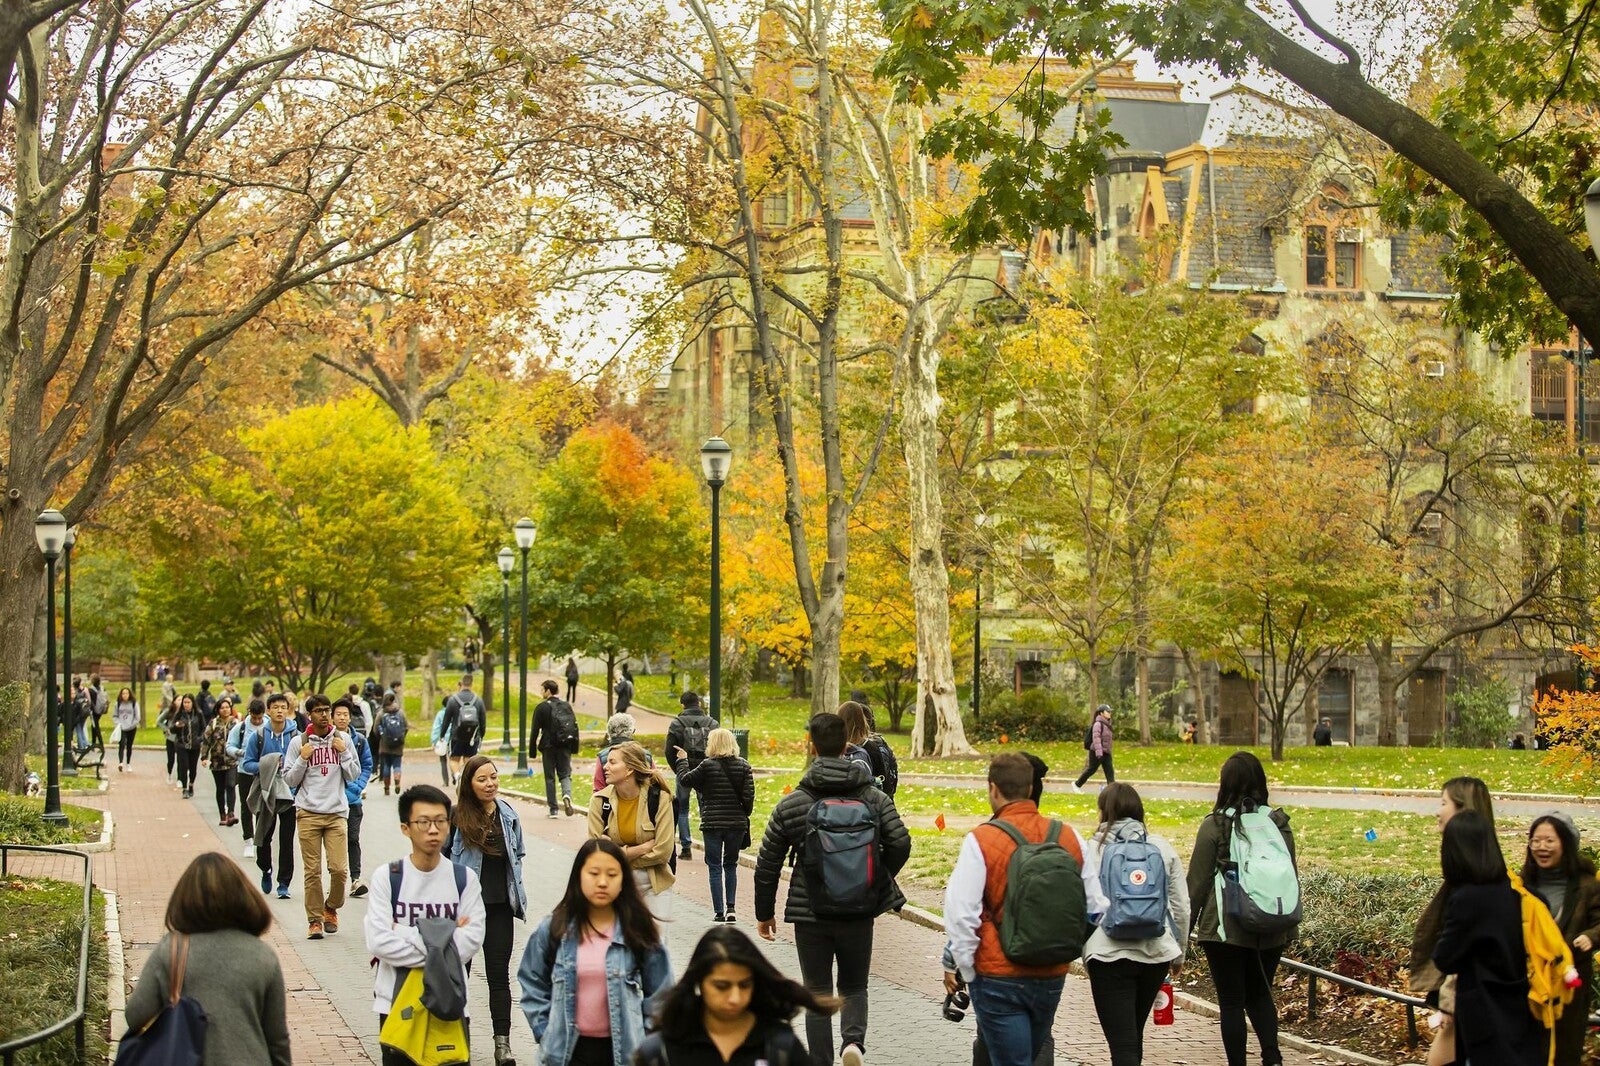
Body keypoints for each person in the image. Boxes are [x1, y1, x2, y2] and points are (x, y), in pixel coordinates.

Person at [756, 712, 912, 1066]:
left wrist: (764, 913)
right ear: (847, 746)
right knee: (855, 985)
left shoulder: (793, 802)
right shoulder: (873, 797)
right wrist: (875, 877)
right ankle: (853, 1044)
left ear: (810, 746)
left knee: (817, 990)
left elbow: (767, 863)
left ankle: (822, 1060)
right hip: (859, 909)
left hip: (810, 911)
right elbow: (901, 842)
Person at [943, 752, 1098, 1066]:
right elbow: (1096, 906)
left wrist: (969, 968)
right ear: (1030, 789)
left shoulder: (982, 840)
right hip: (1051, 973)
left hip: (996, 976)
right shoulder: (1069, 836)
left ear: (993, 789)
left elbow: (962, 914)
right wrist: (1064, 945)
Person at [122, 852, 291, 1066]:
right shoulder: (263, 956)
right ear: (242, 897)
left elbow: (136, 1015)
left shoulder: (171, 950)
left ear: (185, 898)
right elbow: (277, 1039)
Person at [517, 838, 673, 1066]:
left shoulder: (638, 932)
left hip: (624, 1054)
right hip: (566, 1053)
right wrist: (545, 1030)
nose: (602, 882)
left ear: (623, 881)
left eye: (612, 875)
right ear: (579, 876)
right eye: (594, 873)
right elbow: (532, 980)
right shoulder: (555, 928)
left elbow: (662, 992)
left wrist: (646, 1038)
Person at [1186, 751, 1297, 1066]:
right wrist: (1288, 926)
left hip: (1226, 929)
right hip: (1272, 925)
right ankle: (1272, 1058)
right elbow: (1291, 876)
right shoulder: (1278, 823)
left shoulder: (1215, 825)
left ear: (1224, 783)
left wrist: (1181, 935)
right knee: (1260, 993)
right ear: (1261, 782)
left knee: (1232, 1002)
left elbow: (1196, 886)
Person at [365, 783, 487, 1066]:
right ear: (406, 828)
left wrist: (403, 931)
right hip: (396, 1004)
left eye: (440, 821)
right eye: (423, 822)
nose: (433, 829)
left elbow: (471, 941)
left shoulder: (464, 879)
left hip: (451, 1005)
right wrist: (445, 938)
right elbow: (380, 942)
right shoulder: (388, 877)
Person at [1081, 782, 1189, 1066]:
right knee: (1133, 1038)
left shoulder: (1091, 850)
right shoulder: (1161, 847)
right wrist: (1179, 950)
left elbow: (1080, 903)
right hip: (1155, 954)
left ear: (1103, 812)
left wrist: (1079, 948)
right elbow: (1181, 905)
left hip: (1108, 956)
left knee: (1123, 1045)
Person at [635, 925, 836, 1066]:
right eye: (721, 986)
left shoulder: (779, 1046)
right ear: (699, 983)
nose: (735, 997)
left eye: (744, 985)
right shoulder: (662, 1051)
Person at [1434, 810, 1543, 1066]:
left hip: (1486, 1018)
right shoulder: (1519, 891)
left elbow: (1444, 958)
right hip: (1525, 1010)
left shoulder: (1467, 899)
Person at [446, 756, 528, 1066]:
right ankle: (456, 1041)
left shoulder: (508, 814)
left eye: (493, 777)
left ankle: (502, 1046)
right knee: (458, 977)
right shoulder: (456, 817)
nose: (490, 783)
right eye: (482, 779)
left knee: (498, 976)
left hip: (499, 910)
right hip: (465, 911)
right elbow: (444, 862)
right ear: (469, 784)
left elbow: (518, 852)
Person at [1522, 812, 1600, 1066]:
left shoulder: (1588, 886)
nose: (1541, 847)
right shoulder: (1520, 886)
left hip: (1569, 988)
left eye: (1549, 841)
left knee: (1564, 1052)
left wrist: (1591, 936)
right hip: (1528, 984)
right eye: (1536, 840)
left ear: (1566, 844)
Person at [281, 693, 360, 939]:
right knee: (312, 871)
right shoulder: (298, 743)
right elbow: (289, 779)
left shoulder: (343, 739)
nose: (324, 715)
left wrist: (344, 752)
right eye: (319, 711)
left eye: (327, 710)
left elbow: (354, 774)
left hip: (336, 813)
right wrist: (303, 759)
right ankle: (314, 920)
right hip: (308, 814)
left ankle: (331, 907)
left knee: (339, 870)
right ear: (310, 714)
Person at [673, 727, 755, 924]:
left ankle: (719, 911)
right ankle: (732, 908)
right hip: (736, 823)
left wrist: (683, 760)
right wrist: (743, 813)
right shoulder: (744, 766)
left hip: (712, 823)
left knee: (715, 866)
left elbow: (685, 780)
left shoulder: (707, 765)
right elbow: (749, 797)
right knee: (731, 864)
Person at [589, 742, 676, 913]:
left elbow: (664, 851)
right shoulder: (600, 802)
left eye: (612, 762)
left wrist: (617, 853)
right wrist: (641, 848)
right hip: (615, 886)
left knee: (654, 940)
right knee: (620, 939)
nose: (605, 767)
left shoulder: (659, 799)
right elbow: (596, 852)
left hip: (655, 886)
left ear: (629, 769)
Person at [244, 693, 301, 897]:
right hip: (266, 792)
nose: (279, 711)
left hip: (289, 792)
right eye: (275, 707)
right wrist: (268, 763)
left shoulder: (296, 736)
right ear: (268, 710)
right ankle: (265, 869)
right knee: (264, 836)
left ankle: (284, 883)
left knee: (287, 840)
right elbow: (247, 764)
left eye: (283, 707)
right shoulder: (258, 736)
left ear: (288, 709)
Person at [667, 690, 718, 856]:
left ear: (683, 705)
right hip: (706, 771)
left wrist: (679, 770)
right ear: (699, 703)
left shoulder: (677, 723)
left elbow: (669, 751)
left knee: (682, 810)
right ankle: (710, 847)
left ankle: (686, 847)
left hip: (685, 769)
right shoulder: (712, 723)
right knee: (707, 809)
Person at [335, 698, 375, 899]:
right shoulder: (327, 739)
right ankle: (336, 881)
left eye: (345, 714)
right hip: (332, 801)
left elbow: (367, 764)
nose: (342, 717)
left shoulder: (359, 740)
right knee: (335, 843)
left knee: (352, 839)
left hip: (353, 801)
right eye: (338, 714)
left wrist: (359, 786)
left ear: (350, 717)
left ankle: (355, 879)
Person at [530, 679, 578, 818]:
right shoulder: (566, 706)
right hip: (565, 746)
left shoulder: (542, 707)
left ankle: (553, 809)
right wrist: (573, 748)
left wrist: (532, 750)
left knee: (550, 777)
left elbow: (535, 731)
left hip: (548, 747)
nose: (541, 692)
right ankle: (567, 795)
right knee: (565, 774)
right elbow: (574, 727)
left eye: (542, 689)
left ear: (548, 691)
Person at [201, 697, 240, 827]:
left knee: (231, 785)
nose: (225, 710)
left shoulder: (236, 723)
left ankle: (231, 813)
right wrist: (204, 757)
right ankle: (222, 814)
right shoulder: (213, 724)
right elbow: (206, 740)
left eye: (227, 707)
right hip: (217, 762)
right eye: (222, 708)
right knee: (220, 788)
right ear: (218, 710)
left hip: (232, 761)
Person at [442, 674, 486, 780]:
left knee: (454, 759)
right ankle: (466, 780)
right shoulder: (478, 700)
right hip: (472, 737)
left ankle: (457, 777)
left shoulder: (453, 700)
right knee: (469, 760)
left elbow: (446, 719)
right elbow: (483, 720)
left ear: (461, 683)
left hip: (457, 735)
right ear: (471, 683)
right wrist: (481, 734)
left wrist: (442, 735)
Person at [593, 713, 646, 791]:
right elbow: (653, 781)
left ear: (609, 733)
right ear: (632, 732)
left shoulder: (602, 756)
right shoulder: (644, 754)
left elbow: (599, 787)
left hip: (610, 801)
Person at [171, 693, 206, 799]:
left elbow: (204, 728)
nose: (186, 705)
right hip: (182, 745)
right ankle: (185, 788)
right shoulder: (179, 714)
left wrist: (199, 738)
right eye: (184, 702)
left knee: (193, 768)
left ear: (192, 703)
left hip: (195, 746)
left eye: (188, 702)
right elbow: (172, 729)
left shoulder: (198, 714)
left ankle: (191, 784)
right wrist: (177, 726)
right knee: (184, 766)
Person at [1073, 704, 1114, 791]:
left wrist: (1107, 751)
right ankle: (1076, 785)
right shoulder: (1098, 724)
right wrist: (1099, 753)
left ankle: (1113, 791)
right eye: (1108, 711)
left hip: (1106, 752)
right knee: (1091, 770)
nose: (1110, 713)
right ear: (1101, 713)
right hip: (1096, 752)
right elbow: (1096, 739)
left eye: (1110, 711)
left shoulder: (1107, 724)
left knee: (1110, 772)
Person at [375, 691, 409, 796]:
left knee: (386, 766)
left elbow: (375, 729)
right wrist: (401, 737)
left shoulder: (381, 713)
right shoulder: (400, 712)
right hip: (398, 744)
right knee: (397, 765)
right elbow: (406, 726)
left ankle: (386, 788)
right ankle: (397, 782)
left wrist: (381, 737)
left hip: (385, 744)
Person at [113, 686, 139, 771]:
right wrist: (118, 723)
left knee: (129, 745)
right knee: (121, 744)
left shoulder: (134, 703)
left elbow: (137, 717)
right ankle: (120, 762)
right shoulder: (118, 703)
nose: (125, 695)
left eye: (126, 693)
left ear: (129, 694)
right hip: (122, 728)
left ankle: (128, 763)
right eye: (123, 693)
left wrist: (132, 725)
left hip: (131, 728)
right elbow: (115, 716)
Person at [432, 696, 454, 786]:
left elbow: (436, 728)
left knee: (443, 761)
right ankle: (455, 776)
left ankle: (445, 781)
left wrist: (434, 741)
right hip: (453, 739)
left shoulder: (440, 714)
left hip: (443, 740)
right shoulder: (455, 712)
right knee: (453, 759)